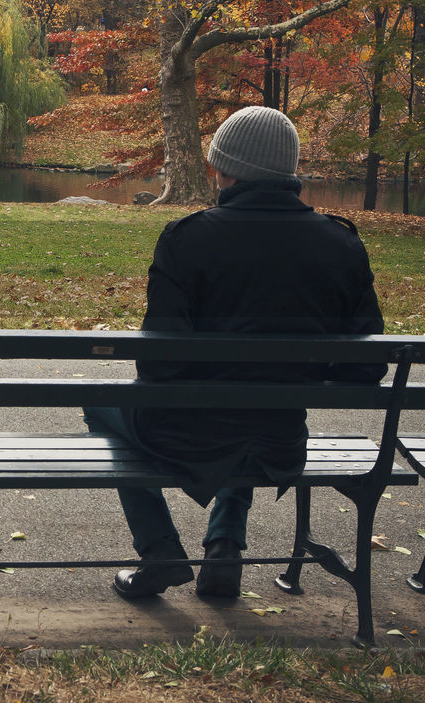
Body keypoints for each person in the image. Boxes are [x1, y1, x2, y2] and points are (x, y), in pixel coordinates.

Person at [85, 105, 385, 601]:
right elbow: (366, 366)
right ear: (288, 172)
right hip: (279, 442)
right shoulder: (342, 245)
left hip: (183, 437)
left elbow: (159, 364)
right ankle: (224, 546)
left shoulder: (188, 238)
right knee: (253, 401)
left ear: (226, 169)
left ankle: (159, 548)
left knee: (102, 402)